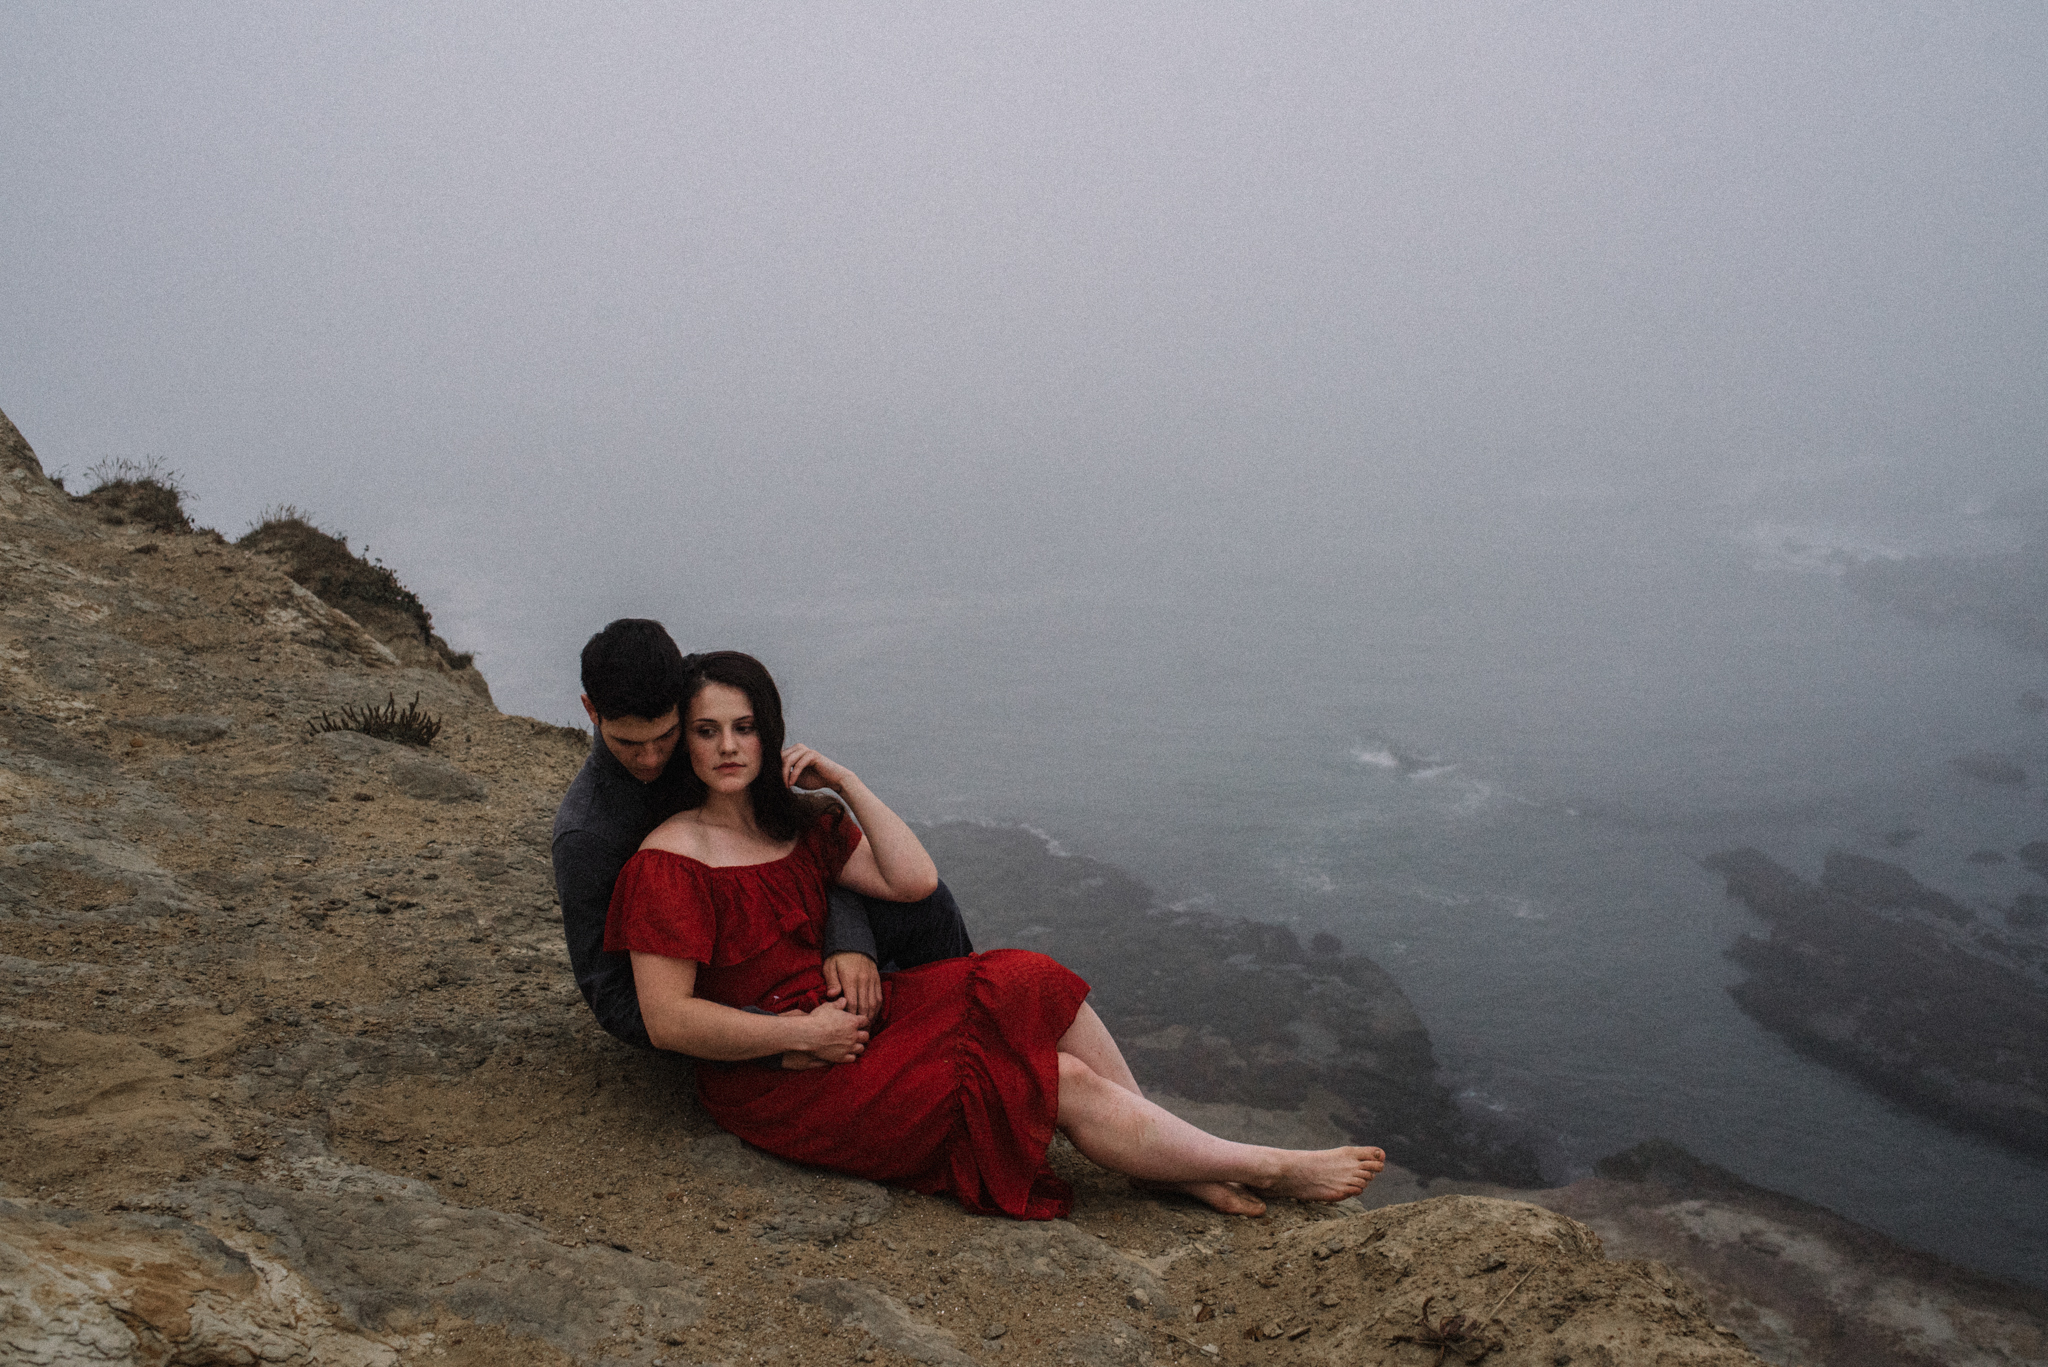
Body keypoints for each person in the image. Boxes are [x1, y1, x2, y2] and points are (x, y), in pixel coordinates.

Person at [605, 649, 1387, 1219]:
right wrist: (793, 1031)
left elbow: (913, 880)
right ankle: (1272, 1164)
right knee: (1058, 1080)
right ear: (690, 745)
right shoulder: (668, 862)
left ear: (771, 732)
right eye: (707, 731)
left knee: (1034, 979)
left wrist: (845, 781)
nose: (730, 746)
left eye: (746, 727)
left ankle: (1167, 1156)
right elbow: (669, 1019)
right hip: (781, 1077)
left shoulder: (796, 825)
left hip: (843, 1025)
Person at [552, 619, 972, 1053]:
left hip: (790, 939)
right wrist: (773, 1040)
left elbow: (795, 851)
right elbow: (615, 998)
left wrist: (847, 940)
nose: (652, 758)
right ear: (590, 710)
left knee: (930, 904)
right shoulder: (589, 833)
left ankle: (968, 1023)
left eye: (667, 735)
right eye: (628, 743)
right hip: (727, 995)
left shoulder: (707, 721)